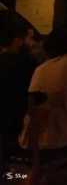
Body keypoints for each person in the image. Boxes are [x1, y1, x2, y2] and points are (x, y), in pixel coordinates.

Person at [0, 14, 36, 162]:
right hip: (17, 125)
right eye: (29, 38)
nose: (33, 43)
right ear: (17, 40)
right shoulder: (27, 62)